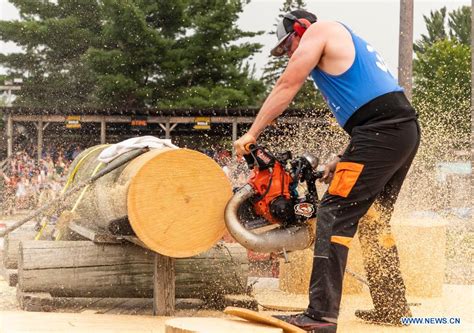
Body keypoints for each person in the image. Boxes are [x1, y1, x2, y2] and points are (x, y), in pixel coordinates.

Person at [234, 9, 420, 332]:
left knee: (334, 211)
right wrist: (341, 158)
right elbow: (372, 109)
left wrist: (252, 133)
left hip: (382, 131)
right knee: (375, 219)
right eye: (282, 52)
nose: (288, 54)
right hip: (398, 129)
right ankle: (393, 307)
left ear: (301, 28)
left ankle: (320, 316)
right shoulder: (336, 50)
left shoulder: (321, 32)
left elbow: (286, 85)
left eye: (287, 46)